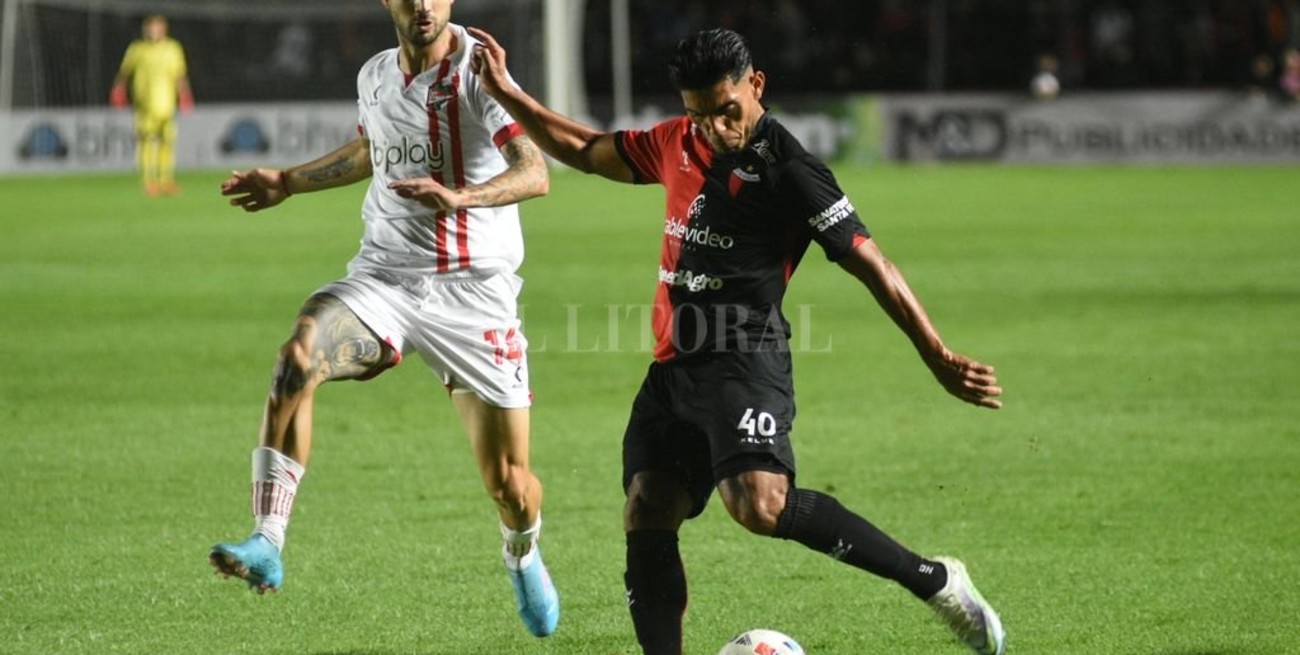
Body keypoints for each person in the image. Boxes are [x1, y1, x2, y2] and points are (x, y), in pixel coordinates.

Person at [470, 26, 1006, 655]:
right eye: (697, 114)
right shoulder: (677, 141)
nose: (714, 129)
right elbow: (587, 148)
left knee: (758, 504)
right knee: (648, 506)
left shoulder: (793, 171)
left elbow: (874, 264)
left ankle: (936, 582)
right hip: (673, 367)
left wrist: (936, 355)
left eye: (726, 111)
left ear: (756, 86)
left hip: (744, 355)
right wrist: (507, 91)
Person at [209, 0, 559, 638]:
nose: (422, 5)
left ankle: (521, 550)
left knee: (510, 484)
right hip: (385, 279)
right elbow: (373, 150)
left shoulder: (480, 70)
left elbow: (535, 172)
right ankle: (268, 539)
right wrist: (289, 181)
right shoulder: (374, 74)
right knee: (297, 359)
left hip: (475, 296)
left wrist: (461, 197)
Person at [110, 14, 193, 196]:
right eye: (151, 28)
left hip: (167, 105)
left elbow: (180, 75)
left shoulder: (173, 48)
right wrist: (118, 90)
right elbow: (125, 72)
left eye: (158, 28)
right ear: (145, 30)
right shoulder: (137, 49)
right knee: (146, 141)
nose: (154, 31)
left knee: (167, 142)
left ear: (164, 29)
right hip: (145, 105)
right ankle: (149, 181)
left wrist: (185, 95)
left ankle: (166, 179)